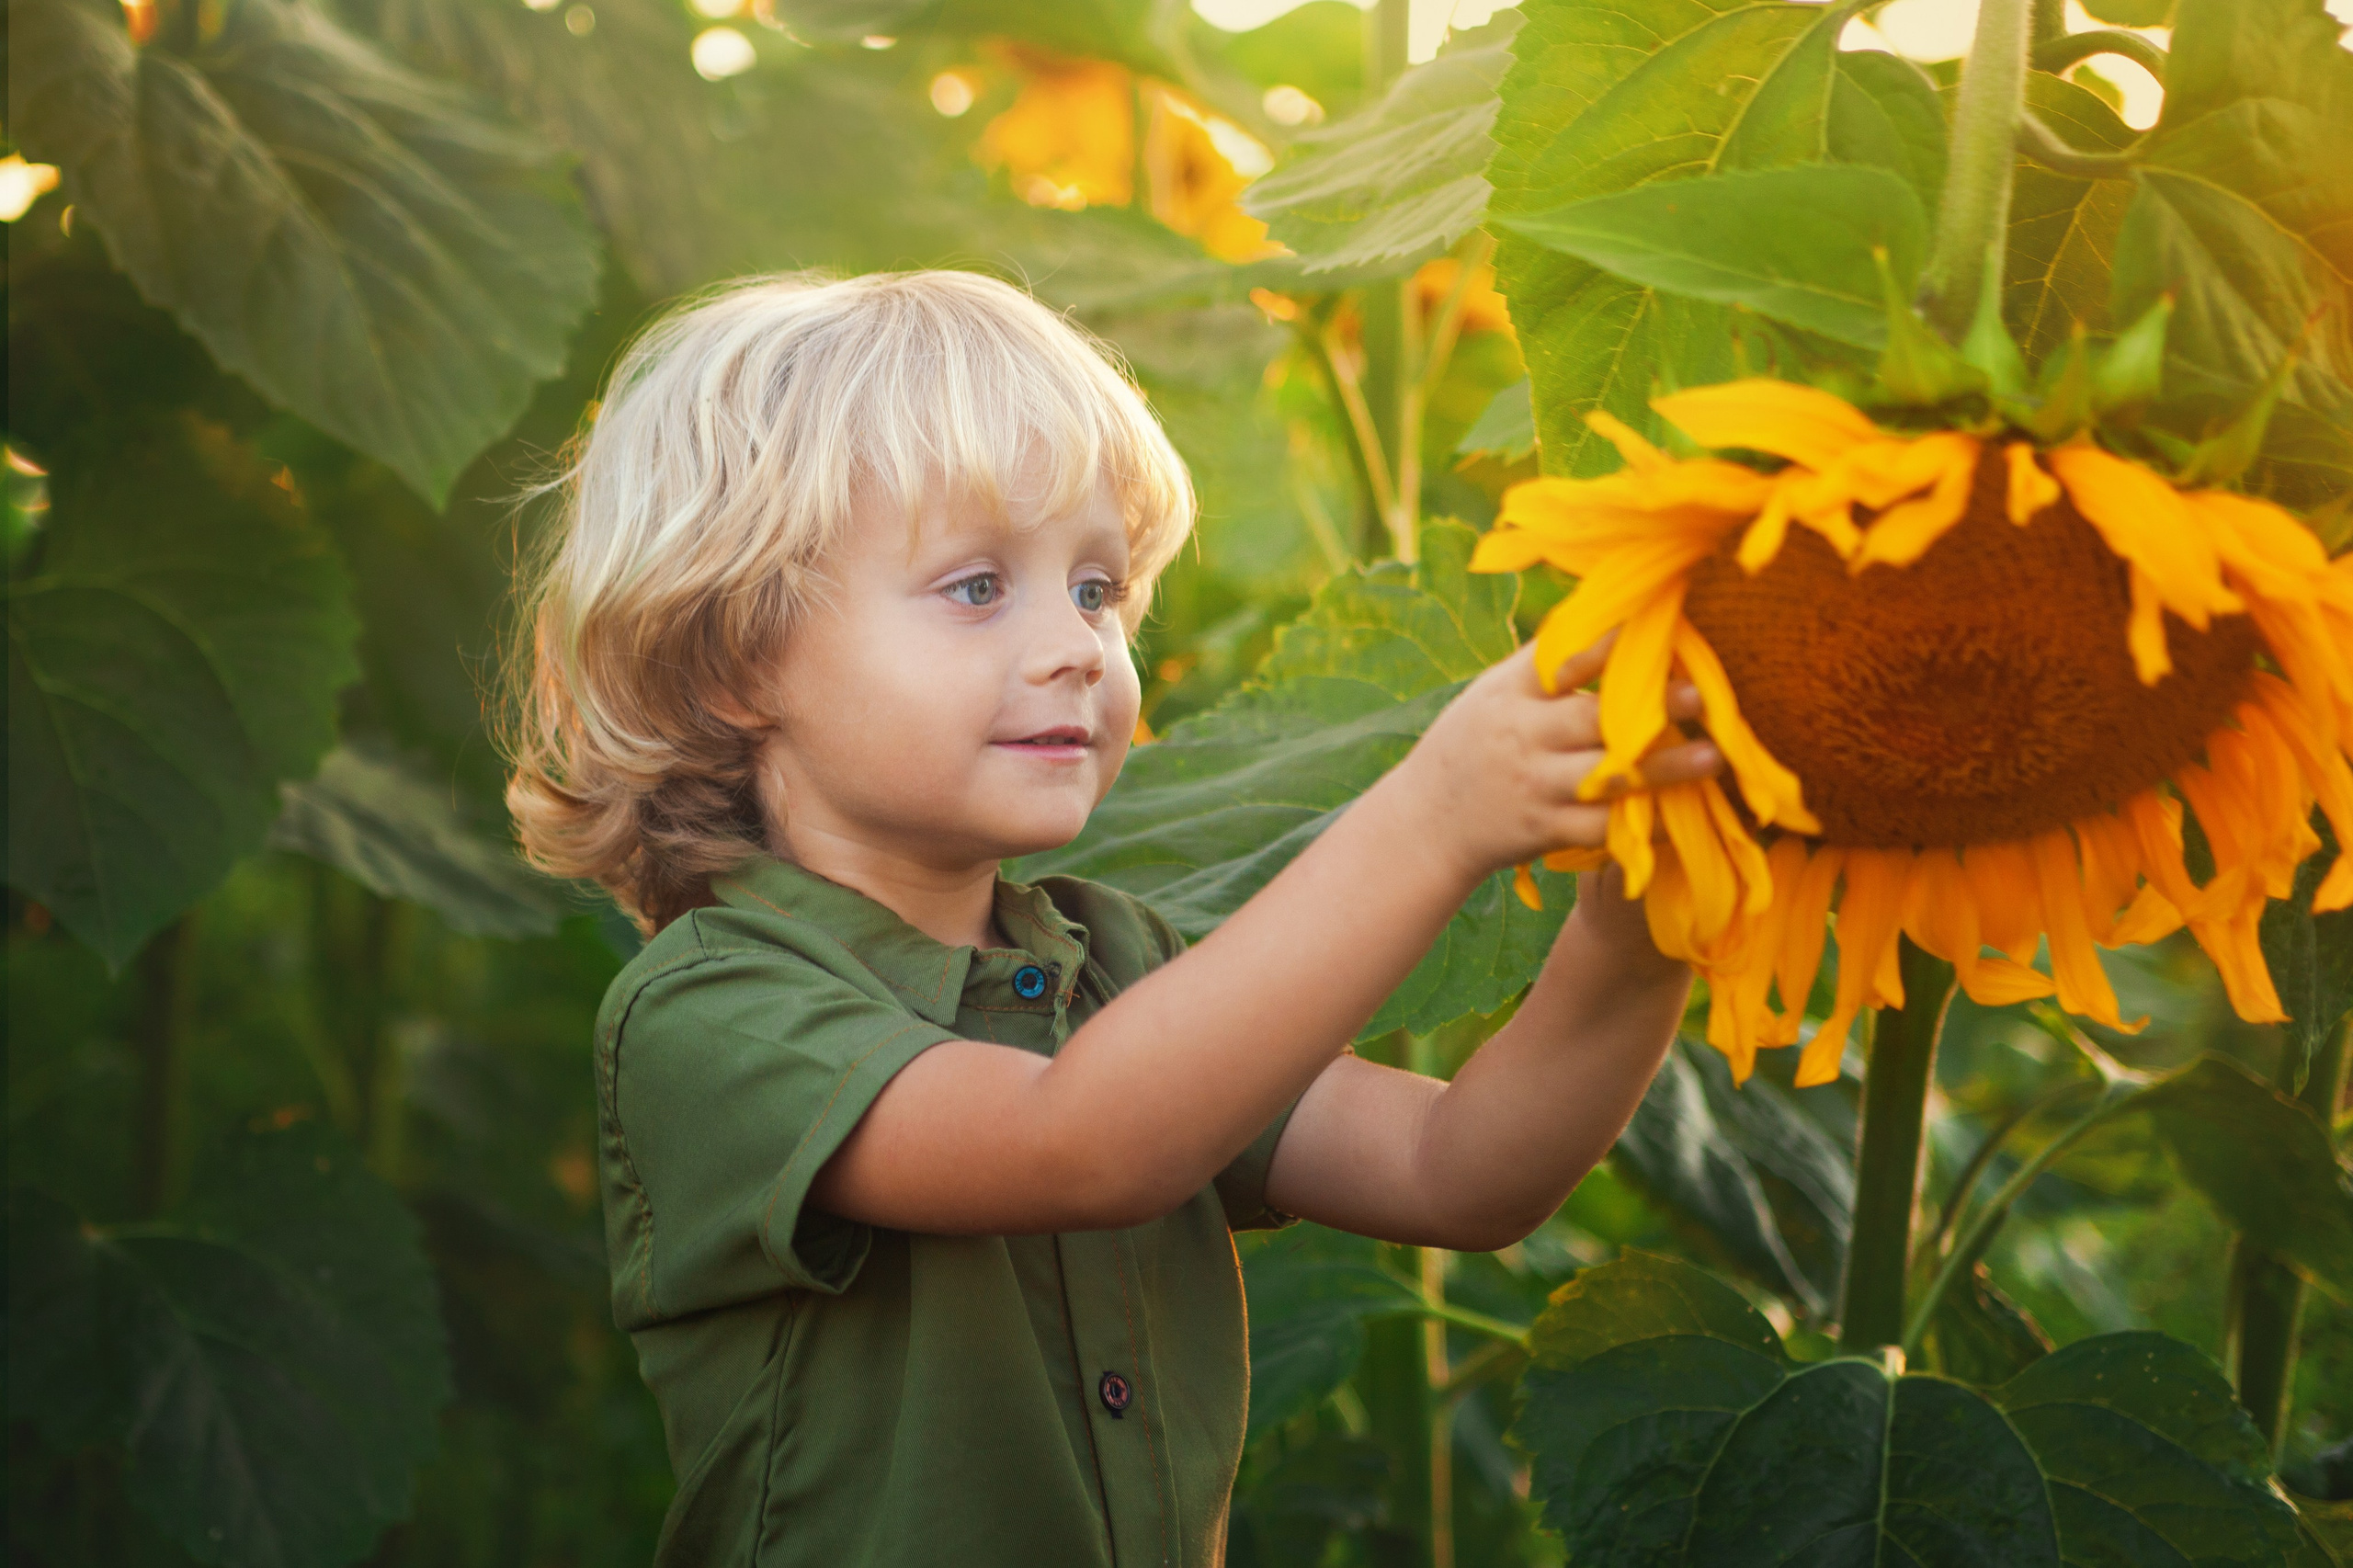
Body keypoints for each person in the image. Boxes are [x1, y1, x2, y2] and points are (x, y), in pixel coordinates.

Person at [504, 270, 1721, 1567]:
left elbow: (1456, 1170)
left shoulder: (1119, 964)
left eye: (1097, 588)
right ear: (735, 659)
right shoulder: (710, 1011)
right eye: (978, 586)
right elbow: (1081, 1143)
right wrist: (1434, 818)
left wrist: (1643, 928)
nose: (1082, 646)